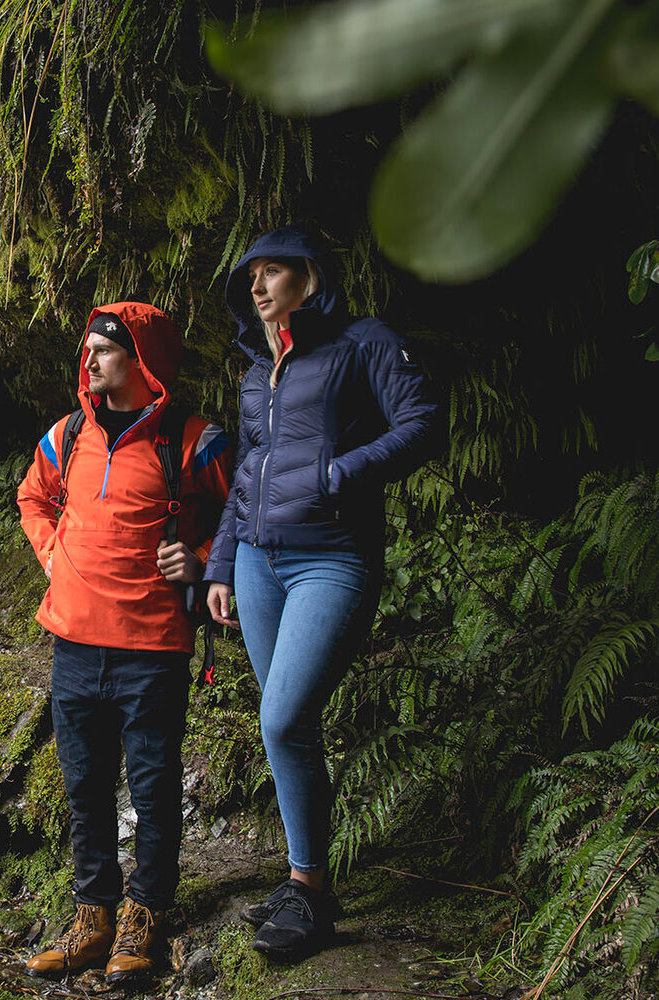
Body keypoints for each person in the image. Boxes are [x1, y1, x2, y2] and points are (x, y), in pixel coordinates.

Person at [203, 224, 442, 959]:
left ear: (308, 277)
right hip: (257, 562)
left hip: (332, 559)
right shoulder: (256, 371)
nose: (257, 285)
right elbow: (247, 472)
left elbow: (423, 422)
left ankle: (308, 896)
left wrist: (343, 472)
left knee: (281, 720)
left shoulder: (364, 342)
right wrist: (221, 564)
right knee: (290, 727)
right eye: (250, 277)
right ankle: (307, 883)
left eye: (272, 271)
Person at [16, 302, 233, 983]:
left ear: (141, 359)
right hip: (74, 645)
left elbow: (248, 510)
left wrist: (204, 558)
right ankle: (93, 915)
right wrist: (52, 554)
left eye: (104, 349)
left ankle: (146, 914)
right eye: (88, 348)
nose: (89, 359)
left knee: (153, 786)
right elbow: (32, 498)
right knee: (84, 787)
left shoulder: (194, 442)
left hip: (153, 647)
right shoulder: (68, 435)